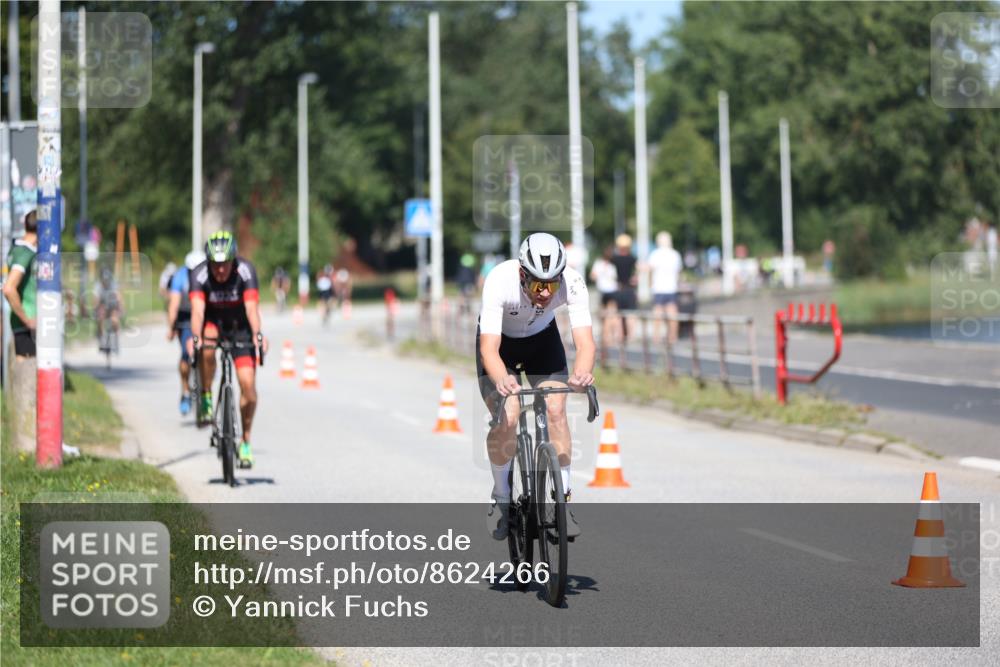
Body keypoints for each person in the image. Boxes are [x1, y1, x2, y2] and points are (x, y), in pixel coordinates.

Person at [478, 232, 596, 541]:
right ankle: (502, 497)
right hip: (501, 347)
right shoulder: (499, 280)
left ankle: (562, 500)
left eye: (551, 285)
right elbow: (488, 349)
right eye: (536, 285)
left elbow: (585, 344)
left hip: (542, 342)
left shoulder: (572, 282)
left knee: (556, 409)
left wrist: (581, 375)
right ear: (522, 275)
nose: (544, 293)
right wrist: (502, 378)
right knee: (509, 416)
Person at [186, 231, 269, 468]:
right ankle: (206, 395)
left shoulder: (246, 271)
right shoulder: (199, 274)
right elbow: (198, 311)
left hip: (240, 327)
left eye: (225, 264)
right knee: (207, 343)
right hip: (213, 323)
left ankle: (245, 441)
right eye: (216, 265)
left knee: (248, 387)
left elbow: (252, 309)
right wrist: (195, 337)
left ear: (234, 261)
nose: (220, 270)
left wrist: (257, 335)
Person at [166, 251, 204, 416]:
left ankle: (205, 389)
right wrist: (171, 327)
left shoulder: (208, 275)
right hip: (186, 317)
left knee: (206, 352)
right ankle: (186, 391)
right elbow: (173, 304)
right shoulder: (180, 276)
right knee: (186, 355)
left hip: (203, 314)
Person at [3, 209, 38, 358]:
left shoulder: (16, 247)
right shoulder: (26, 252)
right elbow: (9, 289)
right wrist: (28, 321)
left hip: (21, 325)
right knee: (27, 378)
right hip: (27, 327)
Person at [647, 231, 683, 344]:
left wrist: (650, 284)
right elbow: (678, 271)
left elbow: (650, 271)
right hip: (671, 287)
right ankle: (673, 336)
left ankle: (656, 337)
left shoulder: (655, 254)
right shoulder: (675, 254)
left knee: (657, 314)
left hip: (658, 288)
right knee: (673, 313)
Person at [589, 245, 621, 347]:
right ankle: (616, 336)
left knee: (605, 315)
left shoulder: (598, 264)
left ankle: (607, 337)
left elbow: (592, 276)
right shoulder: (612, 266)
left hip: (603, 291)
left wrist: (600, 276)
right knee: (613, 314)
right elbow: (615, 279)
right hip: (612, 291)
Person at [610, 233, 638, 341]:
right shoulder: (632, 258)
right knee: (631, 314)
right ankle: (631, 336)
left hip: (618, 288)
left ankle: (619, 335)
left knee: (618, 314)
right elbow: (637, 272)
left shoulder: (614, 259)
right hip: (630, 289)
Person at [94, 267, 124, 354]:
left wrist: (121, 307)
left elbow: (119, 297)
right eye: (104, 280)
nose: (105, 282)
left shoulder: (113, 284)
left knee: (115, 320)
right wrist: (95, 309)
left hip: (112, 304)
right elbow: (96, 299)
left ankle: (116, 338)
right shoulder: (98, 285)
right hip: (103, 304)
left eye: (107, 280)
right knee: (100, 318)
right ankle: (102, 339)